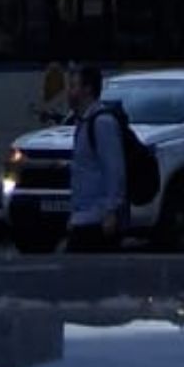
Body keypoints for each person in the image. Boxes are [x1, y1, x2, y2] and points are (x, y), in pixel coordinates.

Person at [65, 63, 128, 251]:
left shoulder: (102, 123)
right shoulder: (83, 122)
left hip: (97, 221)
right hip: (83, 218)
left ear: (87, 89)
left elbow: (114, 170)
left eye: (73, 86)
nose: (68, 92)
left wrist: (111, 212)